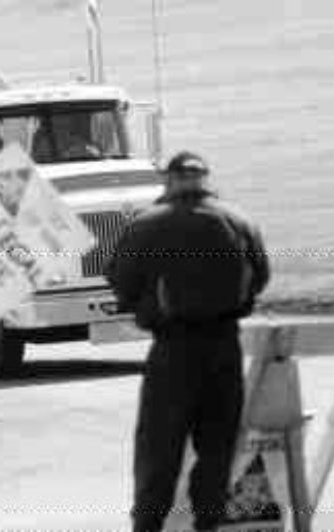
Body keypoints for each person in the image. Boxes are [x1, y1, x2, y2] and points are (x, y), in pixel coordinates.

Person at [105, 151, 270, 532]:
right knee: (217, 448)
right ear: (205, 178)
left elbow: (122, 282)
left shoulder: (146, 224)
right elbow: (261, 276)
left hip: (172, 349)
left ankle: (148, 524)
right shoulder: (239, 220)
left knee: (159, 449)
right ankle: (208, 522)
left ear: (169, 179)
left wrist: (150, 303)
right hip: (225, 348)